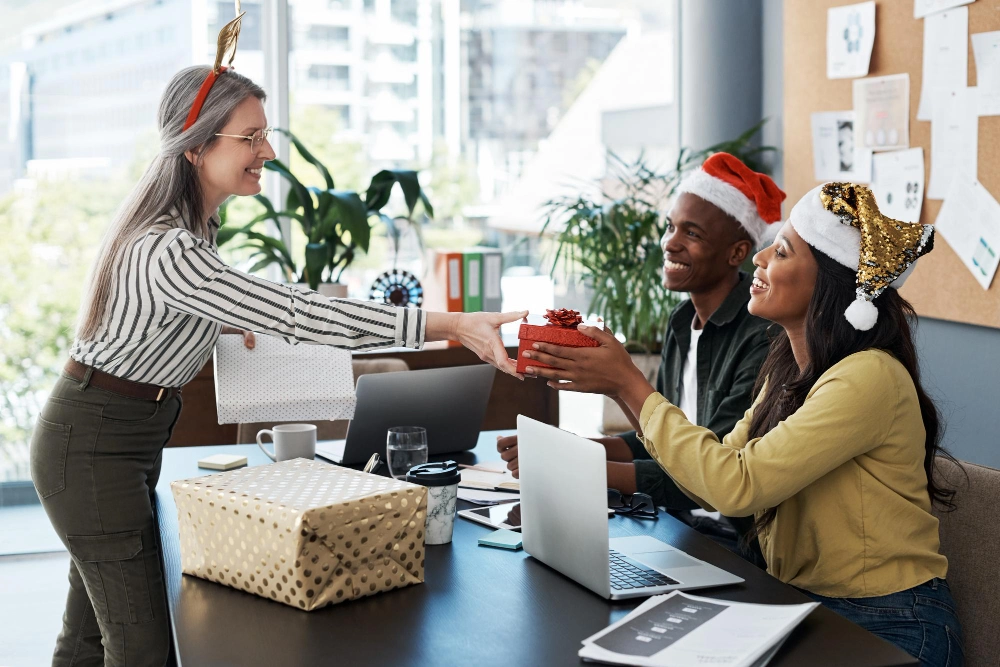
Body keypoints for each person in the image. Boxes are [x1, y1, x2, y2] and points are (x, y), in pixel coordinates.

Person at [29, 18, 525, 667]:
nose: (266, 151)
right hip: (94, 446)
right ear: (196, 147)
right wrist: (452, 325)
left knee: (88, 640)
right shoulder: (170, 247)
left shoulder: (189, 231)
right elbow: (299, 313)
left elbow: (165, 318)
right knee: (142, 650)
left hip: (115, 441)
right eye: (251, 137)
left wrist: (221, 317)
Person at [519, 182, 963, 666]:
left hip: (890, 621)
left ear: (829, 286)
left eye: (782, 252)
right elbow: (713, 474)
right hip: (802, 603)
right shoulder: (788, 371)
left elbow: (736, 486)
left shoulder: (869, 376)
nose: (760, 257)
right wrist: (619, 389)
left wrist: (629, 384)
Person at [498, 153, 785, 564]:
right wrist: (569, 448)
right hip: (677, 523)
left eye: (692, 233)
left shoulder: (763, 336)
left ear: (736, 252)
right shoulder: (682, 321)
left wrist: (569, 465)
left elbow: (707, 471)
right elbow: (659, 439)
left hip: (734, 542)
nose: (669, 242)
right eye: (670, 227)